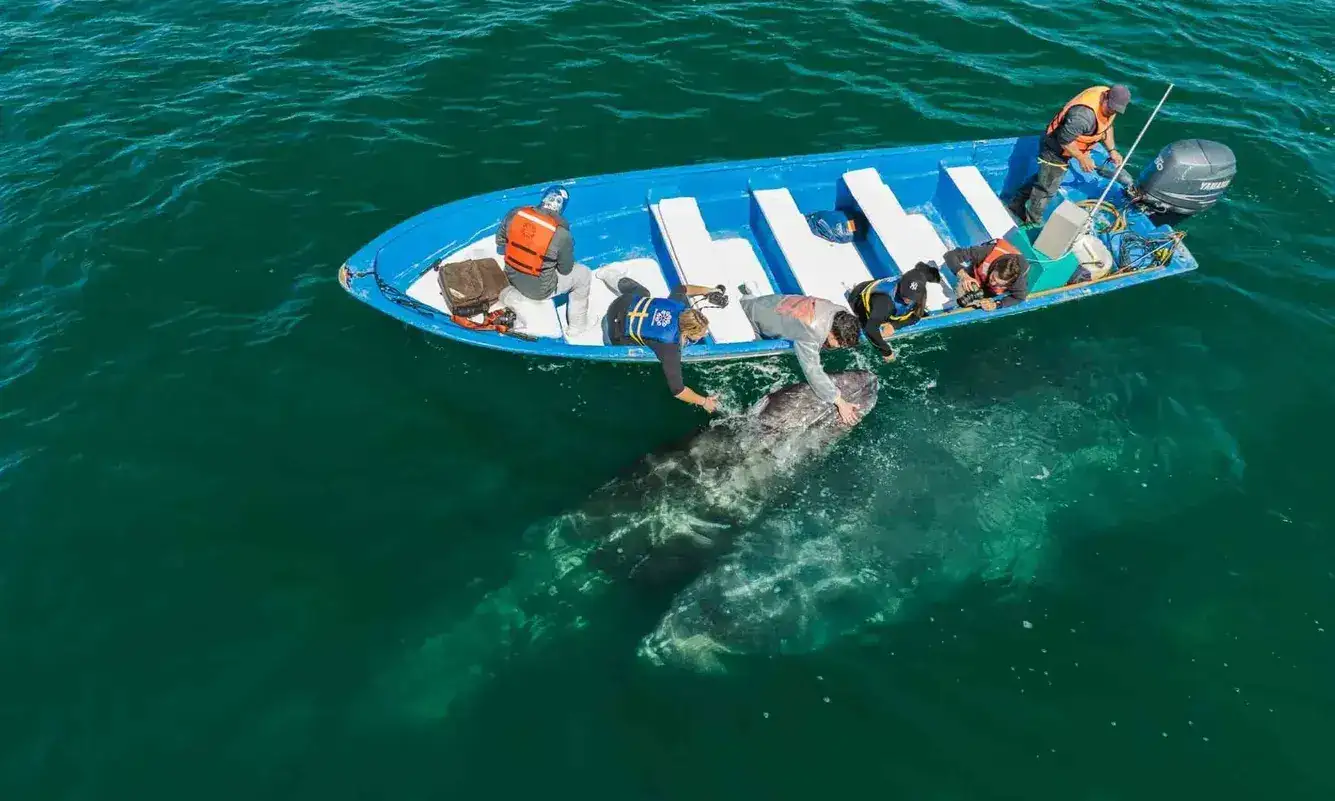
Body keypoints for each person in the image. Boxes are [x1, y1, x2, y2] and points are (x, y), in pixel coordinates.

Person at [601, 267, 726, 413]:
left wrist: (708, 291)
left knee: (644, 293)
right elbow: (678, 391)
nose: (703, 335)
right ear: (686, 333)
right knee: (631, 345)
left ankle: (609, 275)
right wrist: (704, 402)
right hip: (612, 329)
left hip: (620, 303)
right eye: (699, 334)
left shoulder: (677, 305)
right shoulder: (669, 348)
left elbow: (682, 288)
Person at [739, 293, 864, 425]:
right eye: (840, 344)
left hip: (763, 303)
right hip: (752, 319)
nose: (840, 347)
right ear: (833, 334)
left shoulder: (838, 311)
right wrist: (839, 401)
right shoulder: (812, 331)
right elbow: (812, 370)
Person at [1015, 84, 1132, 225]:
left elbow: (1106, 127)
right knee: (1047, 188)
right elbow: (1064, 140)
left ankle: (1017, 202)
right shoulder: (1082, 116)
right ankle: (1031, 221)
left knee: (1045, 177)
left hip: (1072, 145)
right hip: (1055, 148)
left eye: (1116, 110)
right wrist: (1082, 158)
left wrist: (1112, 150)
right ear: (1105, 97)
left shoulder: (1109, 108)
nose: (1112, 111)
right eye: (1111, 108)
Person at [496, 186, 593, 333]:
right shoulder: (562, 234)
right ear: (561, 208)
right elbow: (565, 269)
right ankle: (577, 327)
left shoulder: (515, 213)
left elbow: (500, 241)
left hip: (510, 276)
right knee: (583, 274)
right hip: (538, 291)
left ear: (543, 199)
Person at [847, 263, 943, 362]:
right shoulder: (884, 303)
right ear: (901, 286)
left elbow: (916, 316)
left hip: (881, 295)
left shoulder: (919, 290)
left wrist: (894, 325)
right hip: (860, 299)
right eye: (906, 294)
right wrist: (886, 351)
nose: (909, 299)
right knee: (867, 326)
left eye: (912, 296)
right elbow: (870, 329)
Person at [944, 238, 1030, 311]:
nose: (993, 283)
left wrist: (996, 304)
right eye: (993, 278)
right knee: (960, 291)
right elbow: (950, 255)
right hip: (976, 275)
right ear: (995, 266)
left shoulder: (1017, 280)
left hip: (990, 291)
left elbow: (1019, 297)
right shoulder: (986, 252)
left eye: (999, 284)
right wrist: (964, 276)